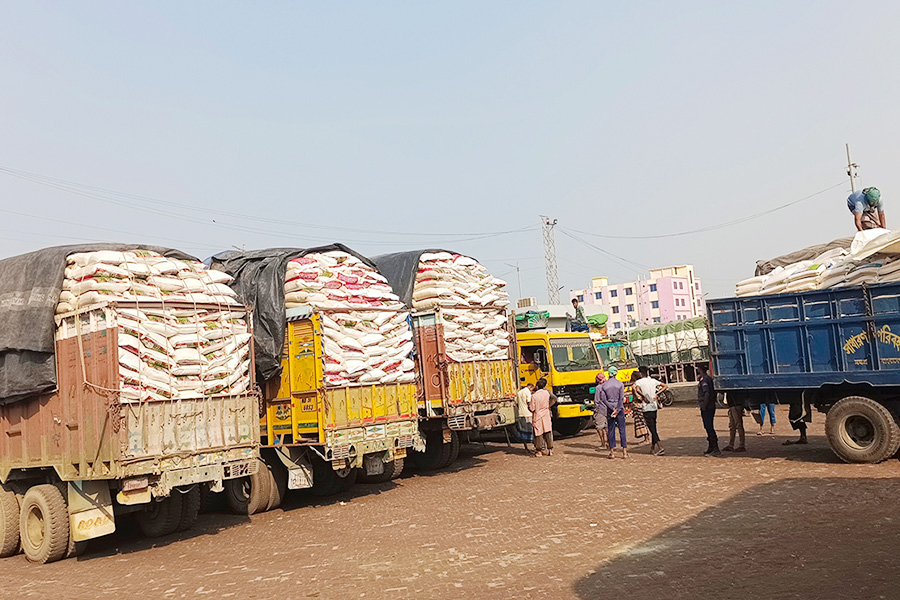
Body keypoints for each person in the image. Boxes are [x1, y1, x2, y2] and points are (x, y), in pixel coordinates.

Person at [632, 366, 667, 456]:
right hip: (654, 406)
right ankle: (652, 448)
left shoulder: (638, 382)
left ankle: (660, 447)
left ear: (640, 373)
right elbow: (665, 386)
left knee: (652, 429)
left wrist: (643, 396)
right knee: (653, 427)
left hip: (646, 407)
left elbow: (636, 389)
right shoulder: (652, 381)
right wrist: (657, 394)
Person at [598, 366, 628, 459]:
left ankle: (612, 452)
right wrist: (618, 409)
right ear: (616, 373)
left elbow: (604, 399)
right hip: (619, 408)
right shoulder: (620, 384)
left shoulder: (604, 385)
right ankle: (624, 452)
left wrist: (612, 408)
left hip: (610, 409)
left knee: (611, 430)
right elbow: (621, 398)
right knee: (622, 430)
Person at [697, 364, 720, 456]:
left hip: (707, 407)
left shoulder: (704, 380)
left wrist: (704, 405)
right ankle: (711, 447)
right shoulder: (709, 379)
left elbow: (706, 393)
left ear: (700, 369)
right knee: (708, 426)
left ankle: (715, 448)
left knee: (709, 427)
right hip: (710, 406)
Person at [528, 378, 554, 456]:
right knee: (548, 431)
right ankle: (550, 449)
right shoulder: (547, 393)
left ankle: (539, 450)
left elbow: (532, 408)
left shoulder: (534, 396)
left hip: (538, 415)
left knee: (538, 433)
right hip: (546, 414)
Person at [629, 371, 650, 445]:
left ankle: (646, 438)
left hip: (638, 405)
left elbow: (638, 396)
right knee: (644, 421)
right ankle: (647, 437)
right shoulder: (642, 384)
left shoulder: (635, 385)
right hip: (644, 405)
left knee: (641, 422)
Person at [515, 383, 535, 454]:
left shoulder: (519, 392)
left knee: (522, 431)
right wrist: (532, 410)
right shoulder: (527, 392)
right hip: (528, 414)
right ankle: (534, 446)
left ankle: (525, 447)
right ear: (530, 387)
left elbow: (516, 403)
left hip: (520, 414)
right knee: (531, 430)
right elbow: (529, 403)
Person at [592, 372, 609, 449]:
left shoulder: (598, 388)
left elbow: (597, 400)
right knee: (607, 428)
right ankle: (609, 443)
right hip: (609, 409)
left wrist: (595, 410)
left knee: (599, 427)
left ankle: (603, 443)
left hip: (600, 410)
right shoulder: (608, 386)